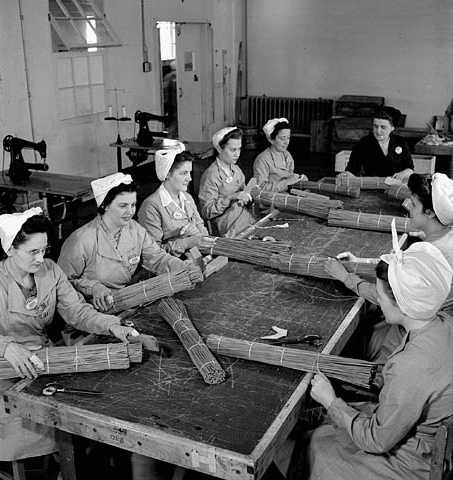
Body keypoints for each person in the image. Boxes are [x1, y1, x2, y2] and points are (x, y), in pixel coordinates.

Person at [302, 238, 453, 480]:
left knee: (318, 448)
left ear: (403, 303)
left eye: (381, 294)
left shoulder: (411, 365)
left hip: (416, 460)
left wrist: (331, 401)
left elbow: (377, 440)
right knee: (324, 430)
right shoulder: (444, 323)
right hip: (426, 435)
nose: (379, 300)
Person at [0, 207, 135, 462]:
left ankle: (70, 462)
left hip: (43, 360)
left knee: (76, 415)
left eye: (44, 250)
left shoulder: (49, 270)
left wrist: (111, 325)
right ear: (10, 250)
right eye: (32, 252)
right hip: (6, 371)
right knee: (29, 423)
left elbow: (76, 310)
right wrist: (6, 346)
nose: (40, 259)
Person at [325, 173, 453, 363]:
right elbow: (400, 265)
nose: (407, 206)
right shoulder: (445, 235)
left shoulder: (433, 251)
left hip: (419, 330)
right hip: (436, 324)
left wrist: (346, 277)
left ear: (430, 212)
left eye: (414, 204)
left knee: (374, 339)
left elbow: (387, 294)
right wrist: (359, 262)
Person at [58, 172, 190, 312]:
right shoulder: (82, 240)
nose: (130, 211)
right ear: (105, 206)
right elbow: (61, 283)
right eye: (123, 206)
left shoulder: (135, 230)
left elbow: (157, 258)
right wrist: (93, 287)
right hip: (90, 310)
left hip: (123, 302)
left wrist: (181, 266)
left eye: (133, 205)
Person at [137, 148, 215, 257]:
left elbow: (203, 233)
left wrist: (196, 231)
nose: (190, 178)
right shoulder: (151, 206)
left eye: (190, 173)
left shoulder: (187, 198)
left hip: (195, 260)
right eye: (183, 173)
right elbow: (153, 253)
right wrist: (187, 242)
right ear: (167, 174)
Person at [198, 127, 256, 237]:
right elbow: (206, 211)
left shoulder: (236, 170)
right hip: (230, 228)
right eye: (233, 150)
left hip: (247, 220)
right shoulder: (211, 175)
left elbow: (245, 194)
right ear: (220, 149)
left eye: (239, 149)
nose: (237, 154)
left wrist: (248, 196)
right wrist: (230, 198)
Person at [337, 106, 414, 181]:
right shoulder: (363, 143)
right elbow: (352, 169)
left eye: (383, 127)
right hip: (372, 185)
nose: (378, 131)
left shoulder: (400, 142)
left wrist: (403, 173)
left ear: (392, 128)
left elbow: (410, 167)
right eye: (375, 126)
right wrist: (346, 175)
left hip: (396, 187)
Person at [253, 117, 308, 192]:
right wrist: (286, 183)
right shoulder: (262, 160)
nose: (286, 142)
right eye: (282, 139)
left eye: (288, 138)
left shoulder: (287, 155)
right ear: (271, 140)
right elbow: (259, 188)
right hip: (271, 200)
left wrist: (299, 178)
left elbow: (288, 176)